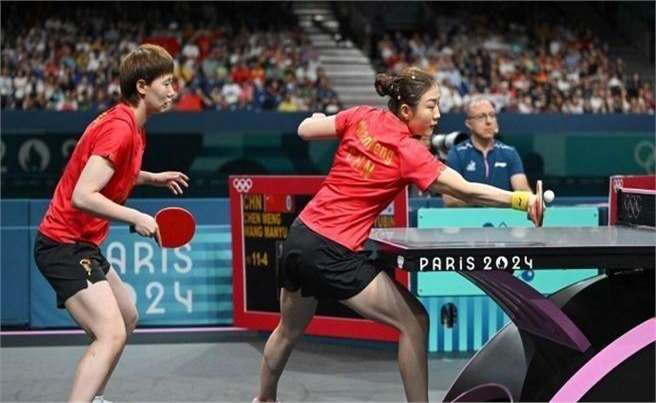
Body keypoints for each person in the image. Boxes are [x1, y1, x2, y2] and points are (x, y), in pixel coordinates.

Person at [253, 67, 542, 403]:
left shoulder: (361, 116)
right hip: (334, 250)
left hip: (300, 236)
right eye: (431, 106)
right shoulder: (410, 152)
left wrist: (319, 117)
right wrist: (521, 200)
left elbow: (304, 129)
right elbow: (465, 190)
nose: (438, 114)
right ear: (406, 110)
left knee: (288, 330)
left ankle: (264, 399)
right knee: (414, 322)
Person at [33, 44, 189, 403]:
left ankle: (95, 397)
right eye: (167, 83)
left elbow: (114, 171)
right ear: (142, 87)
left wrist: (152, 178)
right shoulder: (119, 129)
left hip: (84, 244)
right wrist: (137, 217)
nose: (173, 91)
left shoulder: (132, 126)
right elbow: (83, 195)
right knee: (111, 332)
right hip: (63, 244)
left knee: (126, 317)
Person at [443, 95, 532, 207]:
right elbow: (450, 199)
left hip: (503, 217)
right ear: (468, 123)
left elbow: (523, 191)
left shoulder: (510, 153)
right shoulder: (456, 154)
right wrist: (489, 200)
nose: (489, 121)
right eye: (481, 117)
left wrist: (532, 200)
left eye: (492, 115)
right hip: (468, 217)